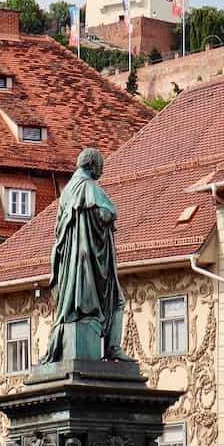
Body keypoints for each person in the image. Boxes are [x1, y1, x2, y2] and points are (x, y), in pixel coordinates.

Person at [41, 146, 132, 364]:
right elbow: (105, 213)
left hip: (73, 264)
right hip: (91, 260)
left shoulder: (67, 190)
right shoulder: (88, 186)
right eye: (100, 166)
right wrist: (109, 216)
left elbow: (59, 229)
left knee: (105, 301)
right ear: (92, 165)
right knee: (116, 300)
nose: (101, 172)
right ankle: (112, 348)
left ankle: (111, 348)